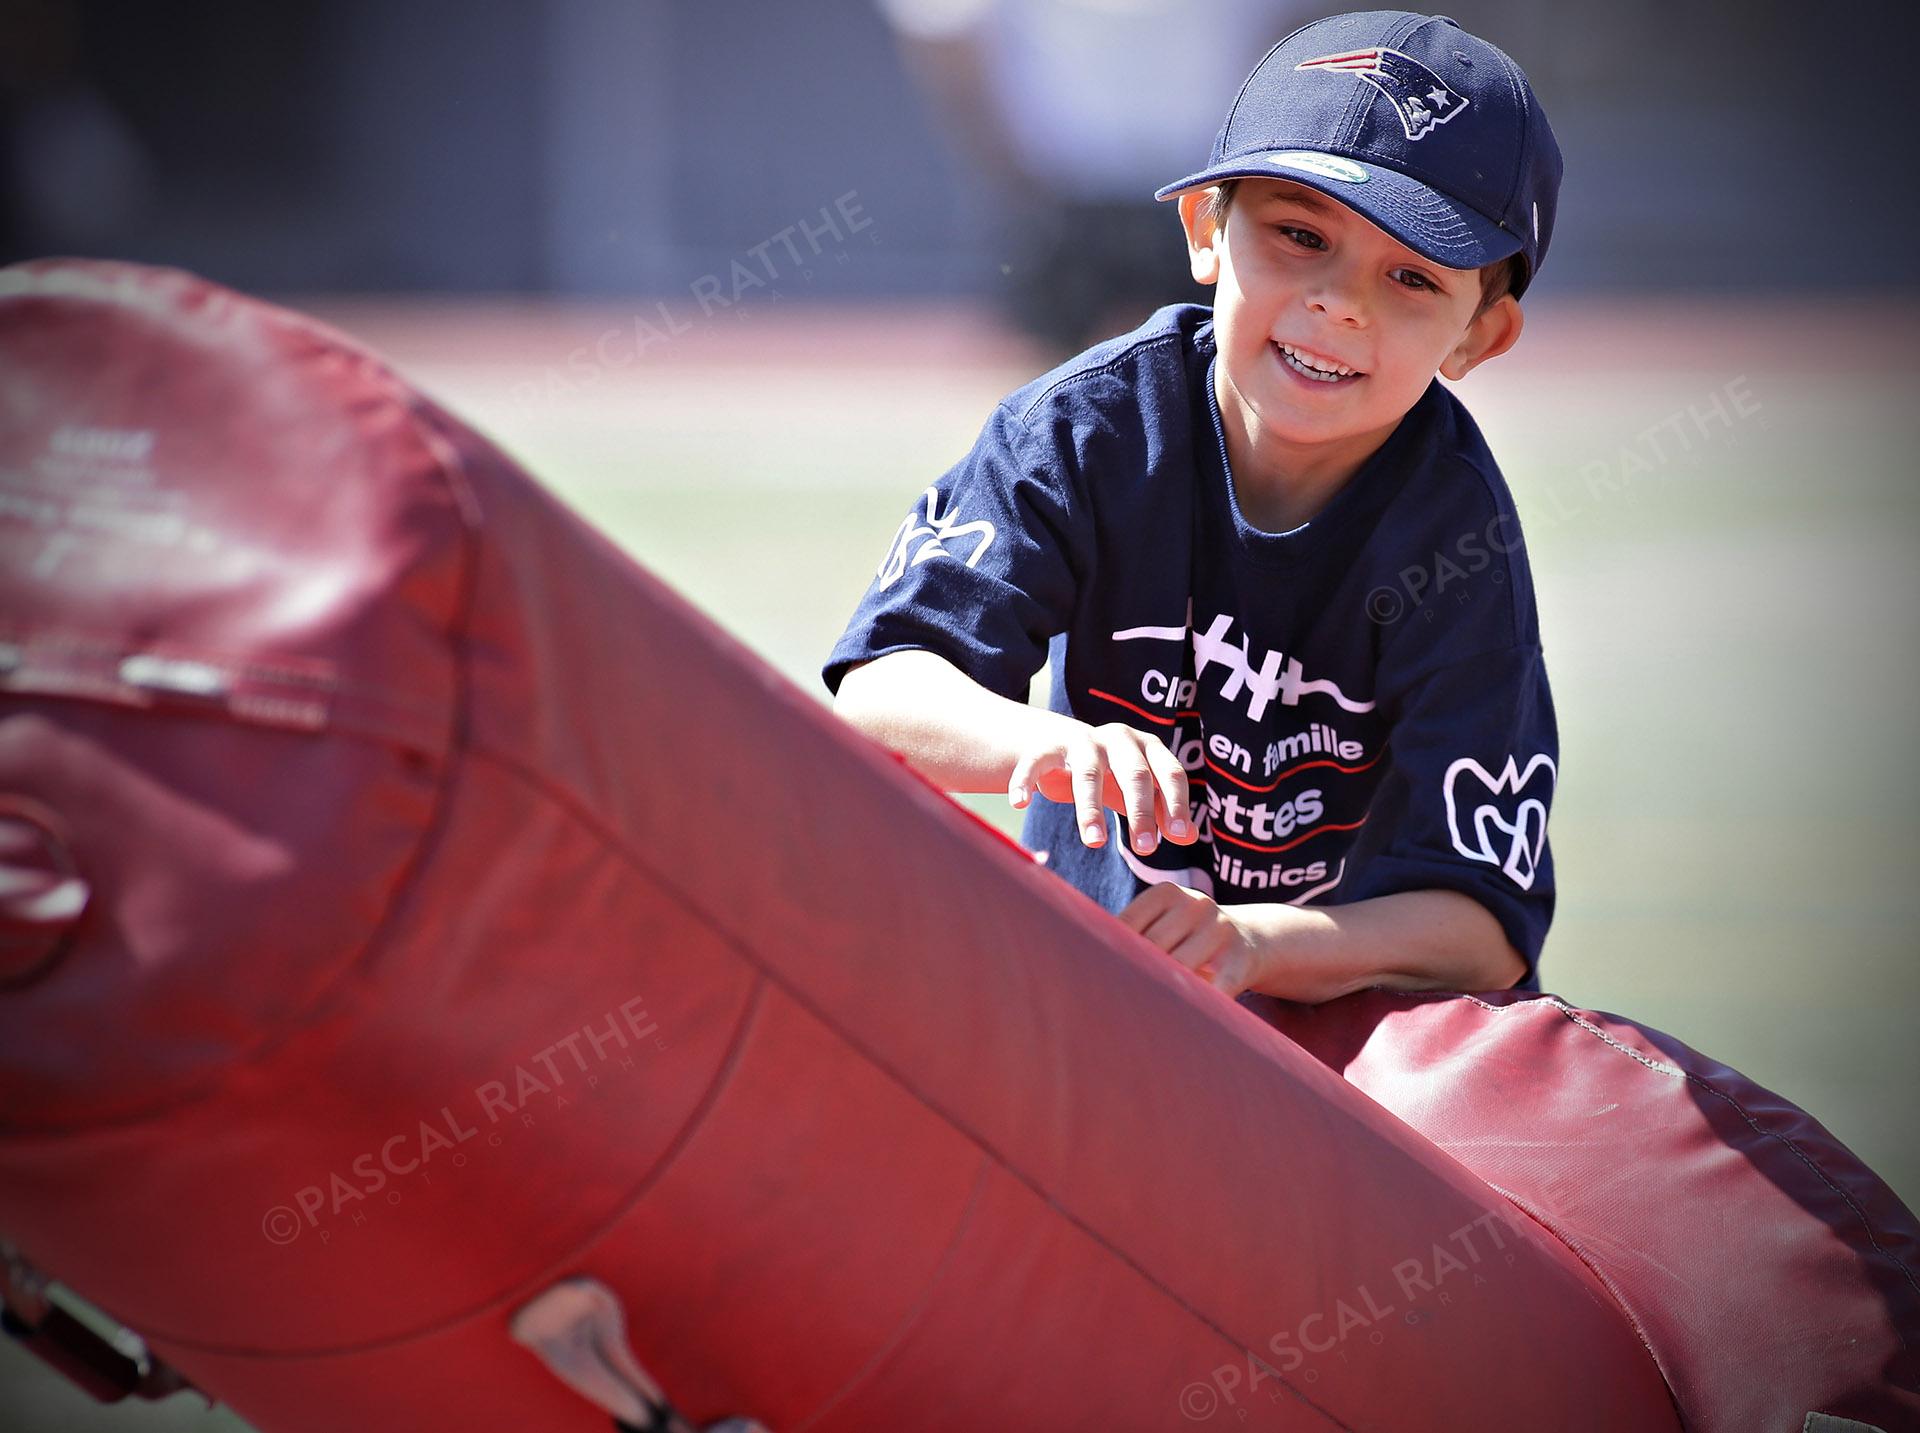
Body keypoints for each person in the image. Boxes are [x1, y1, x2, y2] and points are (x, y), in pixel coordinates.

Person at [824, 11, 1564, 1005]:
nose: (1340, 303)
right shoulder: (1090, 430)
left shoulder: (1453, 532)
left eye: (1410, 277)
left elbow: (1484, 925)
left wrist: (1256, 943)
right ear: (1207, 231)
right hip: (1104, 1016)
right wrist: (1043, 743)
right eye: (1301, 235)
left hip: (1357, 1060)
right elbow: (878, 697)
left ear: (1481, 335)